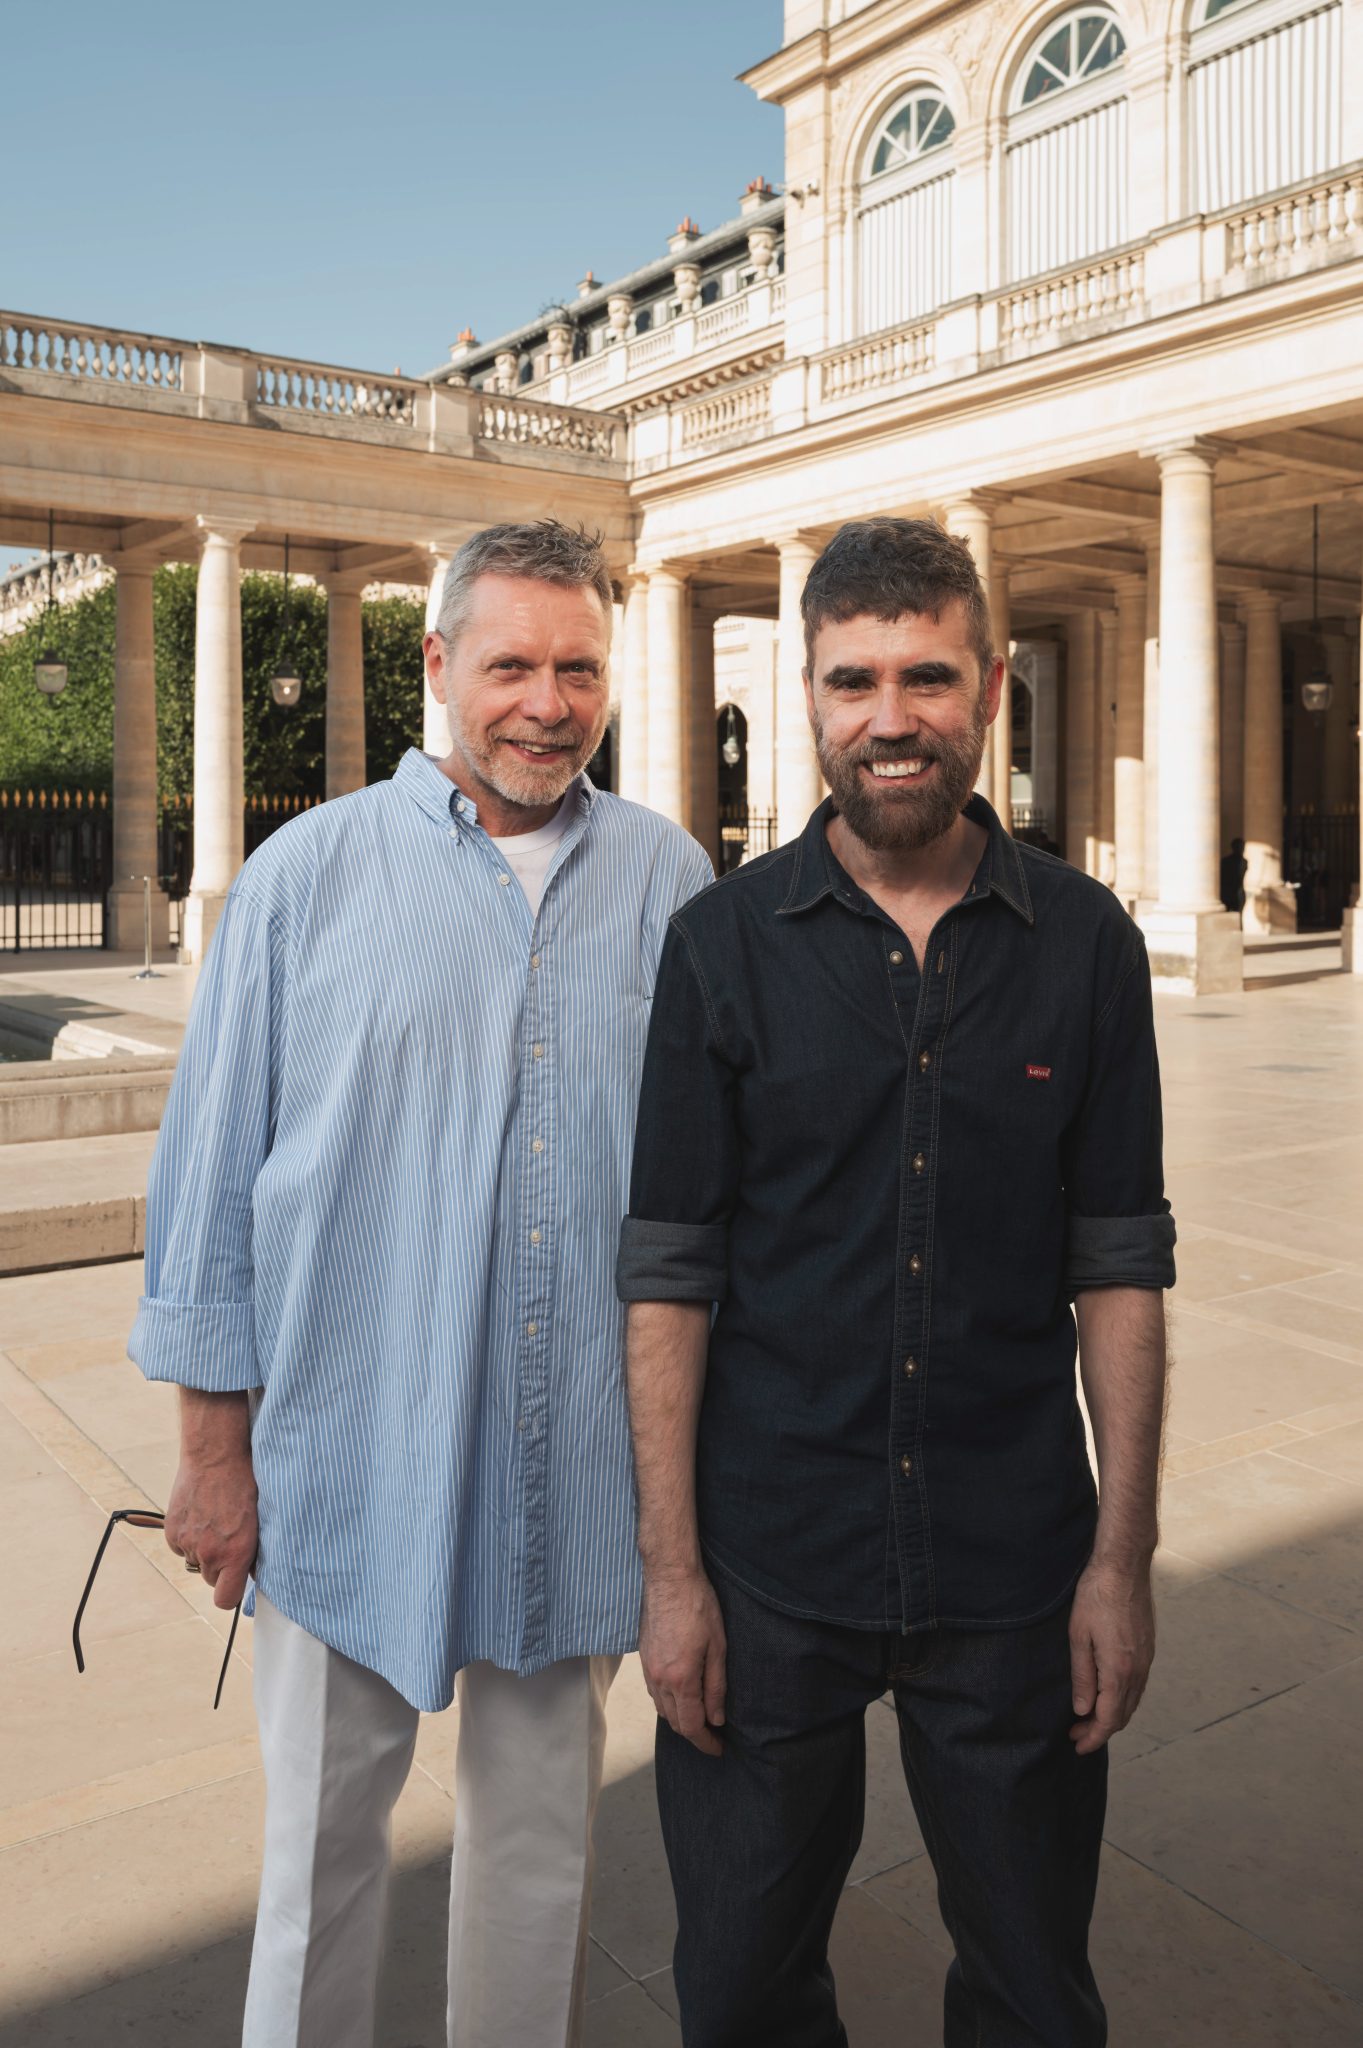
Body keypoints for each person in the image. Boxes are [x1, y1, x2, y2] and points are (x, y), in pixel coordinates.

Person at [129, 520, 712, 2048]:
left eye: (575, 666)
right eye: (509, 662)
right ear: (439, 666)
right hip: (340, 1467)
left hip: (571, 1465)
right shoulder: (305, 878)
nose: (544, 700)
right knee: (318, 1857)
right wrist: (211, 1459)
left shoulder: (670, 878)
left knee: (537, 1855)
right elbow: (205, 1192)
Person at [618, 517, 1175, 2048]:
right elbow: (666, 1276)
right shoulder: (718, 947)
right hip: (768, 1562)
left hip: (1011, 1566)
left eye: (924, 676)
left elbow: (1118, 1265)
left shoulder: (1084, 946)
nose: (888, 716)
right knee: (735, 1991)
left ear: (987, 687)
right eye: (852, 679)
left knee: (1031, 1992)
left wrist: (1117, 1562)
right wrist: (669, 1580)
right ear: (804, 694)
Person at [1220, 835, 1248, 916]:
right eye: (1239, 847)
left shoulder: (1244, 862)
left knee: (1238, 914)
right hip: (1228, 892)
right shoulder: (1226, 861)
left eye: (1242, 847)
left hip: (1238, 892)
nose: (1241, 849)